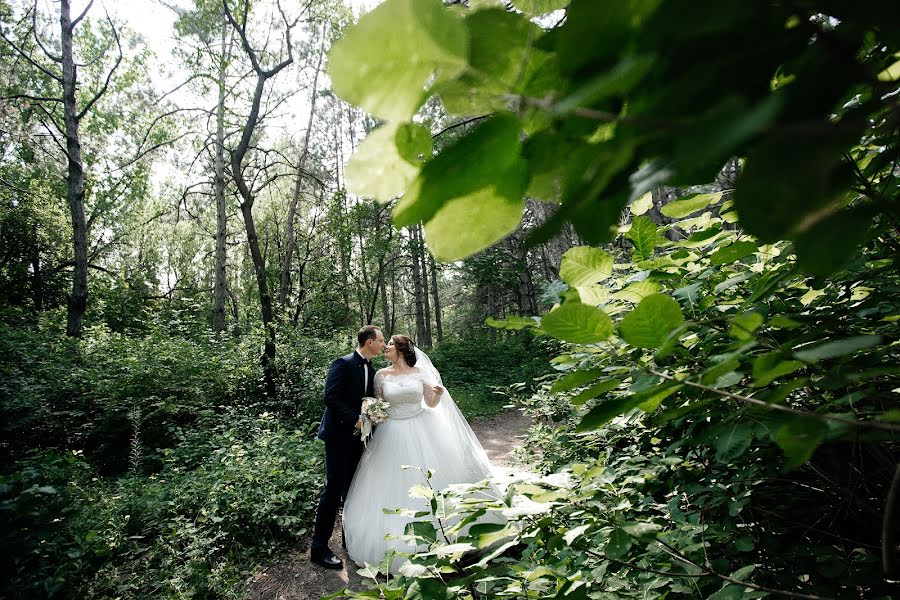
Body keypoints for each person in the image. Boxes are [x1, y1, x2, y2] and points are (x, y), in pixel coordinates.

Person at [342, 334, 498, 574]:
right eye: (386, 344)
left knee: (435, 480)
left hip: (422, 427)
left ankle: (449, 536)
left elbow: (431, 402)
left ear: (401, 349)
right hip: (391, 433)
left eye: (391, 344)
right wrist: (373, 415)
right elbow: (379, 404)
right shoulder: (381, 375)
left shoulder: (419, 373)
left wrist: (437, 394)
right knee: (393, 486)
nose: (386, 347)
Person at [310, 325, 385, 570]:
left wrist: (369, 424)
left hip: (356, 439)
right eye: (381, 340)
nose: (383, 345)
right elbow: (330, 397)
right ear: (369, 342)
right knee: (332, 489)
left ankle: (348, 539)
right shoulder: (341, 363)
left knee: (352, 491)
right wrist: (355, 418)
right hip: (337, 435)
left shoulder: (372, 370)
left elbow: (368, 403)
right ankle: (318, 549)